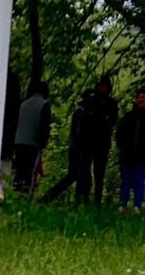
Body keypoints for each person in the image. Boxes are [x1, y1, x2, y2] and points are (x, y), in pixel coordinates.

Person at [41, 89, 95, 205]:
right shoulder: (80, 113)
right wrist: (79, 146)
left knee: (81, 175)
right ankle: (49, 198)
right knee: (74, 175)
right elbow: (77, 133)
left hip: (81, 148)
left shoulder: (87, 113)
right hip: (77, 149)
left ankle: (80, 200)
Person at [13, 82, 51, 195]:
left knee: (19, 171)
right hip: (32, 144)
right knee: (30, 172)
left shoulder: (24, 104)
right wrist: (43, 144)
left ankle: (15, 193)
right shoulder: (44, 105)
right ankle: (27, 195)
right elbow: (44, 126)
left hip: (19, 141)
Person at [88, 73, 118, 205]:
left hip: (103, 144)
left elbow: (113, 121)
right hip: (89, 142)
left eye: (105, 86)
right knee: (85, 172)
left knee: (99, 174)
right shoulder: (91, 101)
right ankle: (83, 198)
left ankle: (97, 201)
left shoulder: (112, 104)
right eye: (101, 86)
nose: (103, 89)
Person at [116, 89, 145, 213]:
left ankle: (137, 205)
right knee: (126, 181)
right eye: (139, 97)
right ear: (135, 99)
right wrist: (123, 149)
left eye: (143, 98)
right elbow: (119, 135)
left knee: (139, 182)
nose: (141, 100)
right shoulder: (128, 117)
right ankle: (123, 204)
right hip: (127, 156)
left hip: (142, 158)